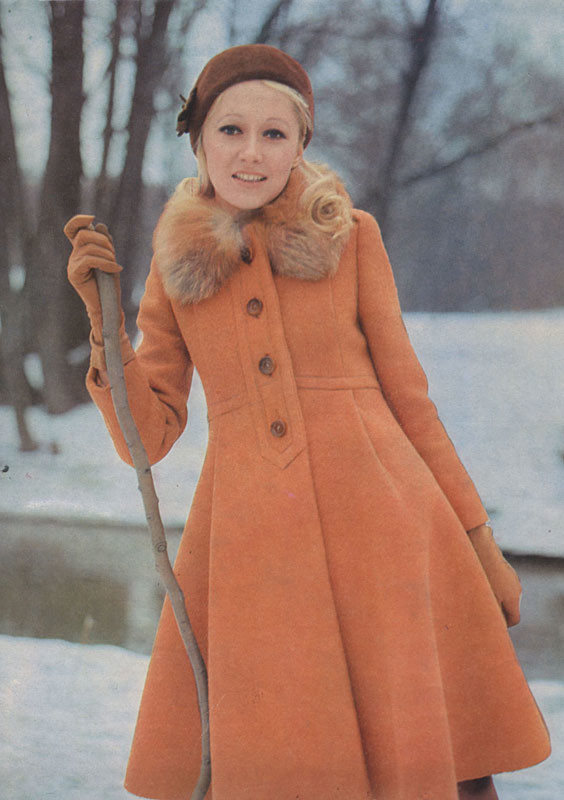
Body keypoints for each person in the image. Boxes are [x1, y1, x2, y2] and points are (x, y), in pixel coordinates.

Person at [64, 44, 550, 800]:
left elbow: (412, 404)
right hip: (252, 552)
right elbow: (146, 439)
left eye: (274, 134)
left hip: (387, 538)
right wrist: (103, 328)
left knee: (421, 760)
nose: (251, 153)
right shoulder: (173, 267)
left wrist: (477, 541)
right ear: (200, 140)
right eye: (231, 130)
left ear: (300, 145)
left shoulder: (351, 236)